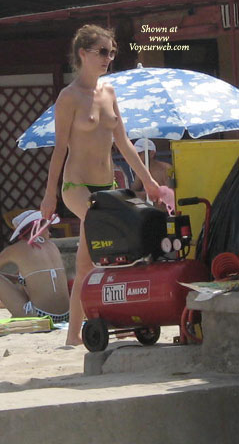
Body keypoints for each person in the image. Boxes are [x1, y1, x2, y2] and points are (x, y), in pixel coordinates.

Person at [39, 24, 162, 346]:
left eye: (112, 52)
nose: (109, 58)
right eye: (102, 52)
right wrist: (49, 196)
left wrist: (149, 182)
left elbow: (123, 141)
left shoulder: (109, 92)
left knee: (85, 263)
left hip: (107, 185)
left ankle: (73, 336)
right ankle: (90, 324)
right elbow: (60, 150)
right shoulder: (68, 98)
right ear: (83, 54)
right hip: (76, 187)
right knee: (104, 227)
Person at [0, 210, 70, 325]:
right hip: (65, 315)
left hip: (41, 315)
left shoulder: (16, 249)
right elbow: (33, 278)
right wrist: (2, 282)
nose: (49, 233)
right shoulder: (52, 246)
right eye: (47, 228)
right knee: (11, 283)